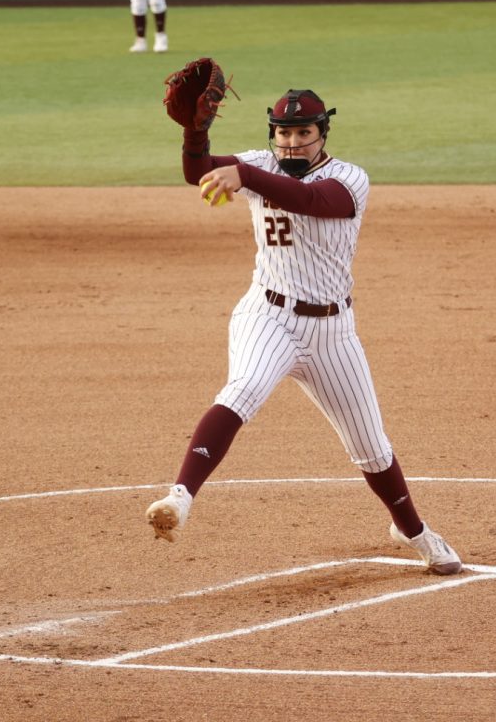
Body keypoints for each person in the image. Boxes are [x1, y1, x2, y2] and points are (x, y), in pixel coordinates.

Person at [144, 88, 463, 575]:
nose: (292, 143)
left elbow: (312, 200)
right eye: (283, 133)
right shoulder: (260, 164)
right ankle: (180, 497)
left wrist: (245, 174)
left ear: (322, 134)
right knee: (243, 388)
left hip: (333, 332)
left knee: (371, 447)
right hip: (267, 315)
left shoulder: (348, 179)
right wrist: (196, 133)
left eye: (303, 133)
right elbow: (198, 170)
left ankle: (413, 530)